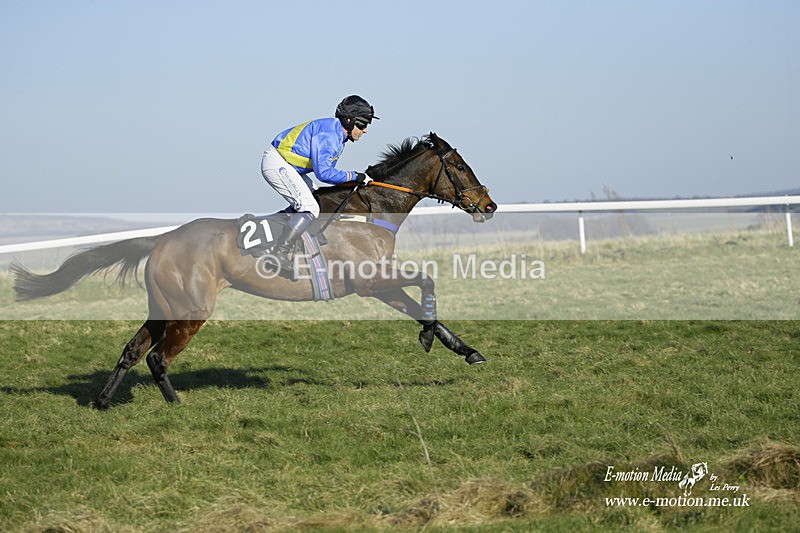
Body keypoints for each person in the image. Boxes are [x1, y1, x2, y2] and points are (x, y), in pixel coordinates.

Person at [260, 95, 378, 275]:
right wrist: (356, 176)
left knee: (318, 200)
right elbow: (324, 173)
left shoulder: (338, 133)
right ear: (349, 120)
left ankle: (273, 232)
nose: (365, 130)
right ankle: (279, 254)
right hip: (278, 163)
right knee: (309, 207)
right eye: (362, 125)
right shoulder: (330, 136)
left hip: (288, 166)